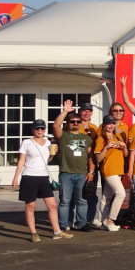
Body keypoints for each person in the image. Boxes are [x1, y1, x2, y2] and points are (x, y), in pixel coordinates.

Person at [12, 119, 73, 241]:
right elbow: (21, 160)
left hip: (43, 177)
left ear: (45, 130)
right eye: (37, 128)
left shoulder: (48, 143)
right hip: (29, 176)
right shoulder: (26, 142)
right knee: (31, 206)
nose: (40, 130)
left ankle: (57, 231)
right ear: (33, 130)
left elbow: (47, 161)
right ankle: (34, 233)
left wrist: (52, 155)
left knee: (52, 205)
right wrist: (16, 177)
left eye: (42, 128)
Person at [53, 99, 95, 232]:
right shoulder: (63, 136)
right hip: (66, 173)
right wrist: (65, 112)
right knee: (65, 201)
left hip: (82, 174)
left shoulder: (86, 138)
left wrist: (91, 172)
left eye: (78, 121)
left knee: (82, 201)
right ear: (68, 123)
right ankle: (63, 224)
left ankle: (81, 223)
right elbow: (55, 126)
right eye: (72, 121)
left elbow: (91, 157)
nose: (75, 123)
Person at [93, 114, 129, 231]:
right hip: (109, 170)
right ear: (104, 125)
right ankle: (110, 220)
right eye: (109, 124)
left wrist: (124, 147)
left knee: (106, 197)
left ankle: (102, 222)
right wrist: (106, 147)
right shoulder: (101, 139)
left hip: (118, 170)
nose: (111, 126)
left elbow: (125, 154)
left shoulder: (118, 136)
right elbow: (98, 158)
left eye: (113, 123)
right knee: (121, 193)